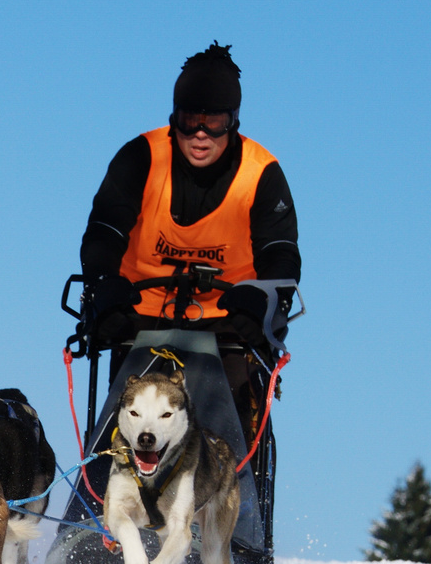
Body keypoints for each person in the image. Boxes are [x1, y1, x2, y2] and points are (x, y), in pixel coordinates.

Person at [77, 42, 300, 444]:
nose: (200, 133)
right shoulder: (140, 158)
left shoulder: (261, 173)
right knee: (130, 416)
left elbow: (280, 254)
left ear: (232, 122)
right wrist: (103, 285)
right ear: (173, 118)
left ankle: (230, 489)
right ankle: (105, 490)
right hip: (139, 316)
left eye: (213, 122)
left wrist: (261, 303)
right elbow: (105, 231)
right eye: (189, 119)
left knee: (226, 418)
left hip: (229, 322)